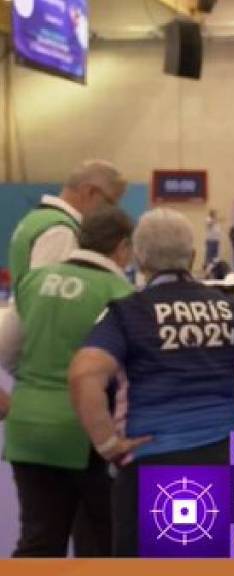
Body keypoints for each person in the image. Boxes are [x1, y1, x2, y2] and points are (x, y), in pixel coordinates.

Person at [67, 208, 234, 556]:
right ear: (192, 257)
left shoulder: (127, 313)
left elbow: (84, 374)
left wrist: (106, 444)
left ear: (139, 257)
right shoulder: (229, 307)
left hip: (151, 464)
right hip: (225, 461)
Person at [0, 208, 134, 557]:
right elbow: (128, 373)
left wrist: (32, 386)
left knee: (38, 541)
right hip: (88, 433)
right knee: (101, 541)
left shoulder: (32, 282)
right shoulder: (121, 293)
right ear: (123, 247)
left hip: (27, 426)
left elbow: (6, 347)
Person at [8, 160, 126, 293]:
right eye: (110, 203)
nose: (110, 211)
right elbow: (47, 297)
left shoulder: (36, 219)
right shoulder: (61, 231)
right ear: (89, 192)